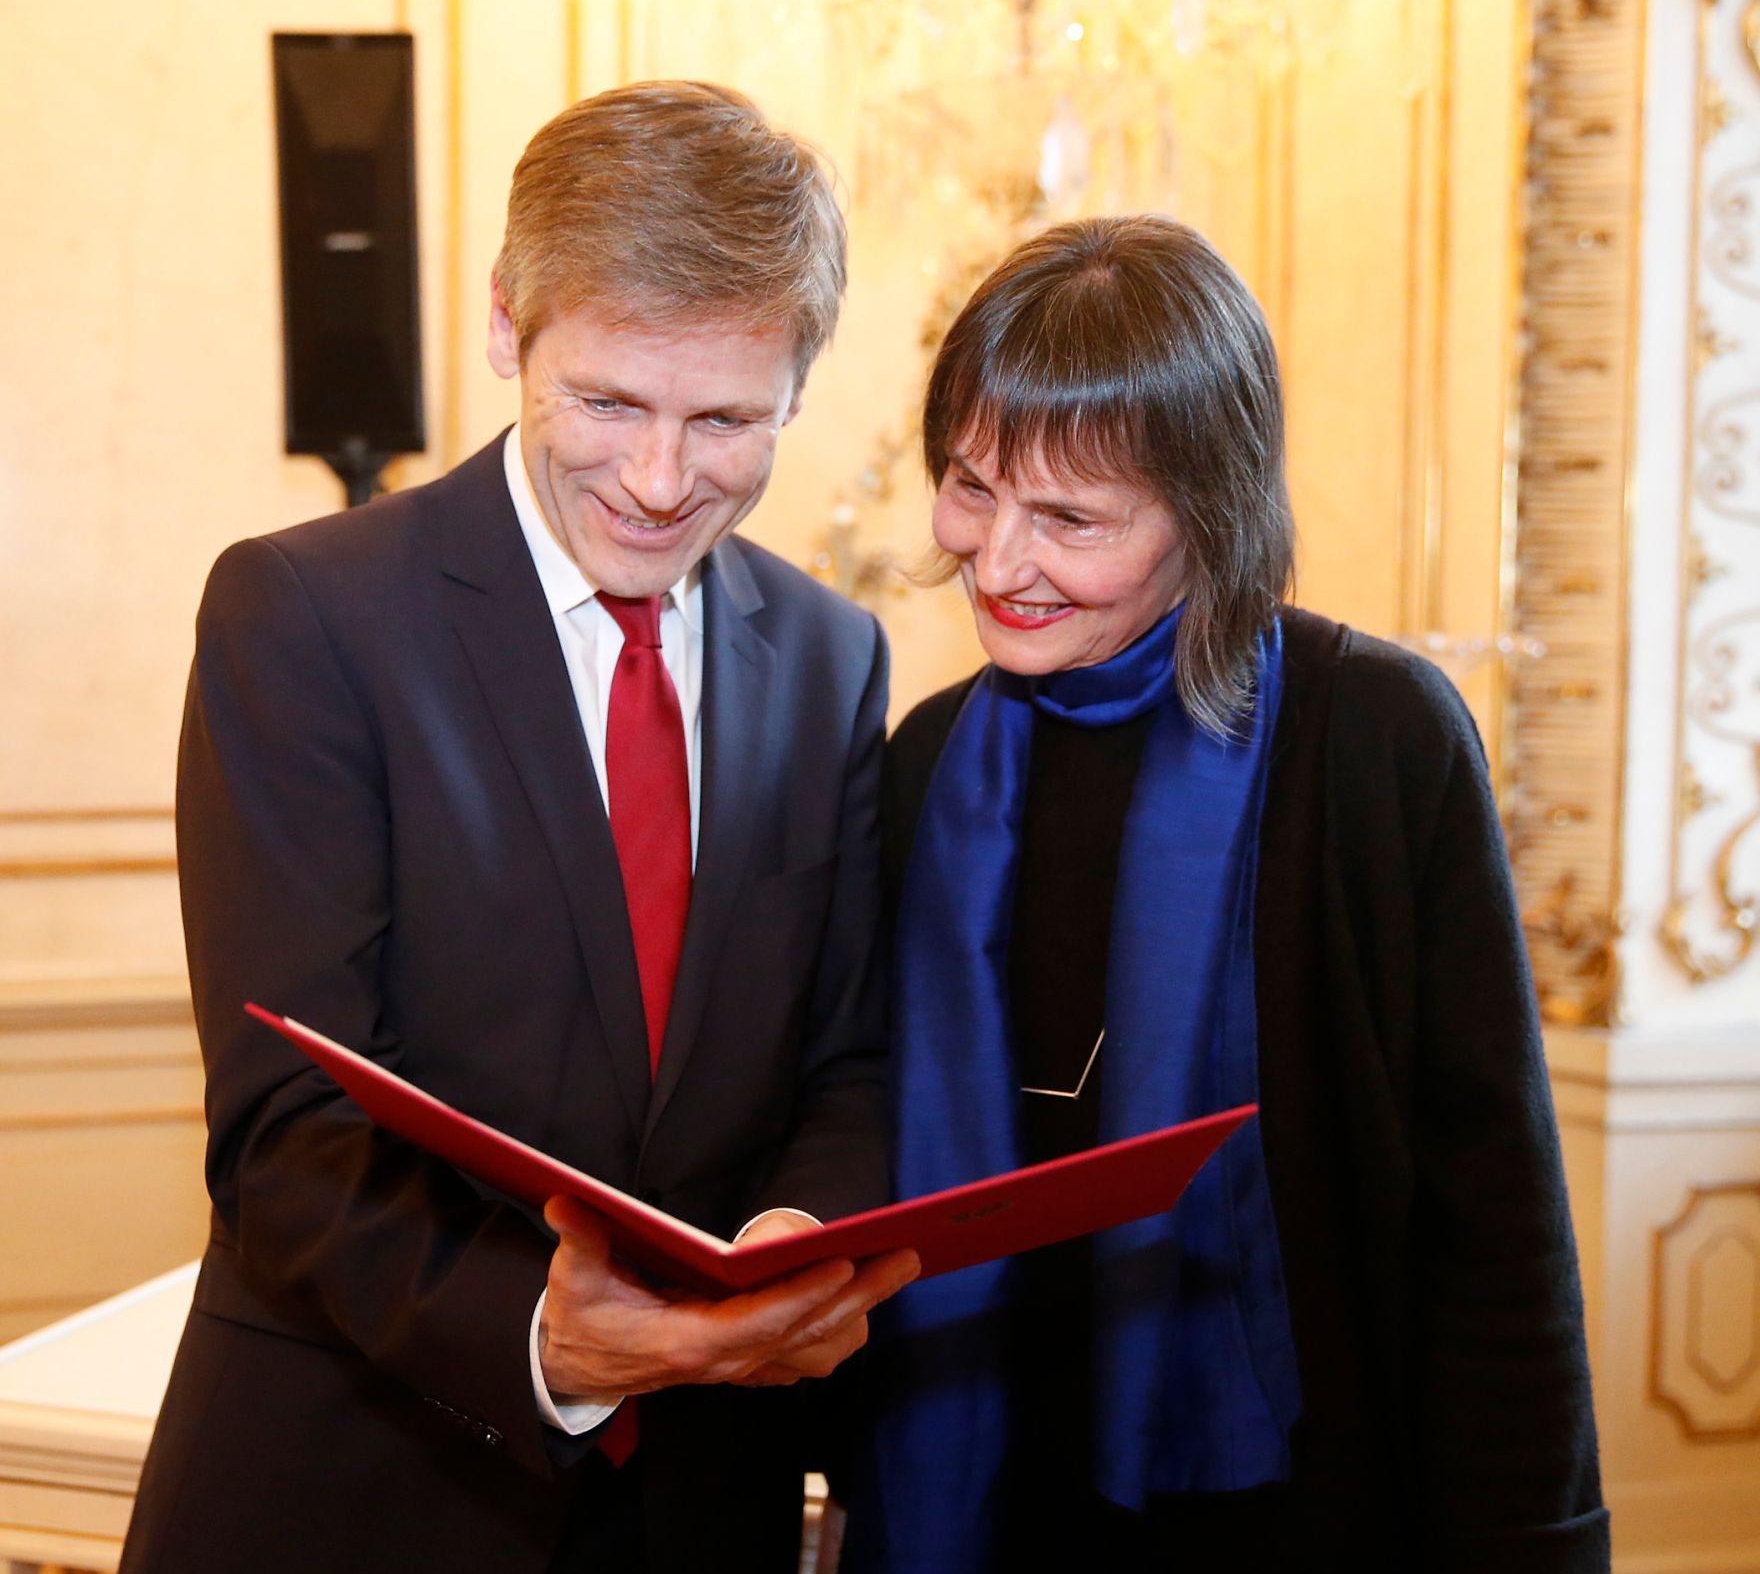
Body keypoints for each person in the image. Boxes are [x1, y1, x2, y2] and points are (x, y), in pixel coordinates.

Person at [121, 81, 917, 1574]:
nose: (663, 479)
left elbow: (848, 1057)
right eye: (610, 400)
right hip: (355, 1490)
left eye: (729, 419)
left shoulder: (831, 655)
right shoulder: (303, 614)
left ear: (800, 391)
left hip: (696, 1506)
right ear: (508, 327)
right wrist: (547, 1335)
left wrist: (802, 1229)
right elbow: (286, 1126)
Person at [843, 215, 1608, 1572]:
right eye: (970, 488)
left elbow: (1493, 1217)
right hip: (990, 1497)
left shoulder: (1375, 739)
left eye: (1069, 518)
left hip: (1305, 1504)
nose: (998, 561)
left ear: (1210, 515)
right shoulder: (925, 759)